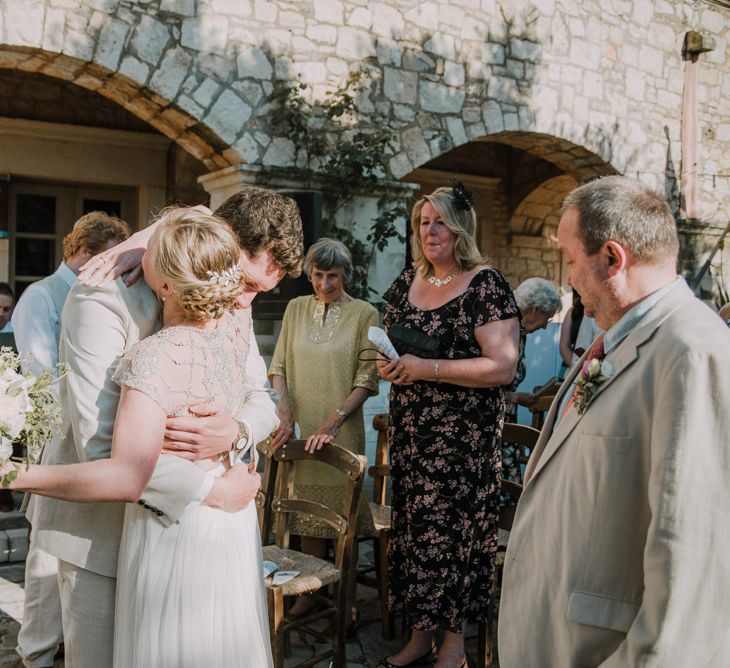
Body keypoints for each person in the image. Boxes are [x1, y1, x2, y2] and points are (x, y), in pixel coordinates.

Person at [24, 188, 304, 667]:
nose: (242, 300)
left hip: (193, 544)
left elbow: (260, 395)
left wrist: (234, 431)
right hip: (102, 539)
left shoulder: (226, 289)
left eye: (257, 290)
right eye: (248, 283)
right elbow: (102, 445)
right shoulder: (100, 298)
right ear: (220, 237)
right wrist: (212, 491)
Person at [499, 176, 730, 666]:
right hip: (559, 635)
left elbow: (691, 557)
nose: (567, 278)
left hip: (602, 650)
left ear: (611, 258)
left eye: (569, 259)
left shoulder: (691, 350)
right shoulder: (618, 340)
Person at [377, 184, 520, 668]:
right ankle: (420, 637)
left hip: (462, 446)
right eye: (423, 221)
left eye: (440, 221)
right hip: (414, 438)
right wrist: (391, 366)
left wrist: (426, 369)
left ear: (461, 229)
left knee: (455, 540)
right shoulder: (407, 280)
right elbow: (397, 345)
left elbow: (502, 368)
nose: (430, 231)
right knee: (416, 533)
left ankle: (454, 647)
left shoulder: (486, 285)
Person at [11, 211, 130, 668]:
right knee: (46, 554)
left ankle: (70, 640)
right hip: (58, 442)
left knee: (80, 553)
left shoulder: (107, 293)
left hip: (96, 441)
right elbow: (38, 376)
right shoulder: (40, 296)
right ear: (82, 253)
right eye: (105, 258)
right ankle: (36, 652)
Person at [268, 237, 378, 627]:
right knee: (305, 515)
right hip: (299, 428)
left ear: (346, 275)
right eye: (318, 274)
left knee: (340, 521)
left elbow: (367, 378)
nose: (325, 283)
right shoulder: (296, 309)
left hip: (341, 429)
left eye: (333, 275)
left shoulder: (366, 314)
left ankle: (346, 597)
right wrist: (284, 411)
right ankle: (312, 594)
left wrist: (333, 421)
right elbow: (278, 365)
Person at [501, 277, 561, 491]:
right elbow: (480, 386)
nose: (546, 326)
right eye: (548, 317)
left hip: (505, 420)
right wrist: (517, 398)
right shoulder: (506, 329)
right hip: (492, 423)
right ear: (535, 310)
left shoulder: (520, 332)